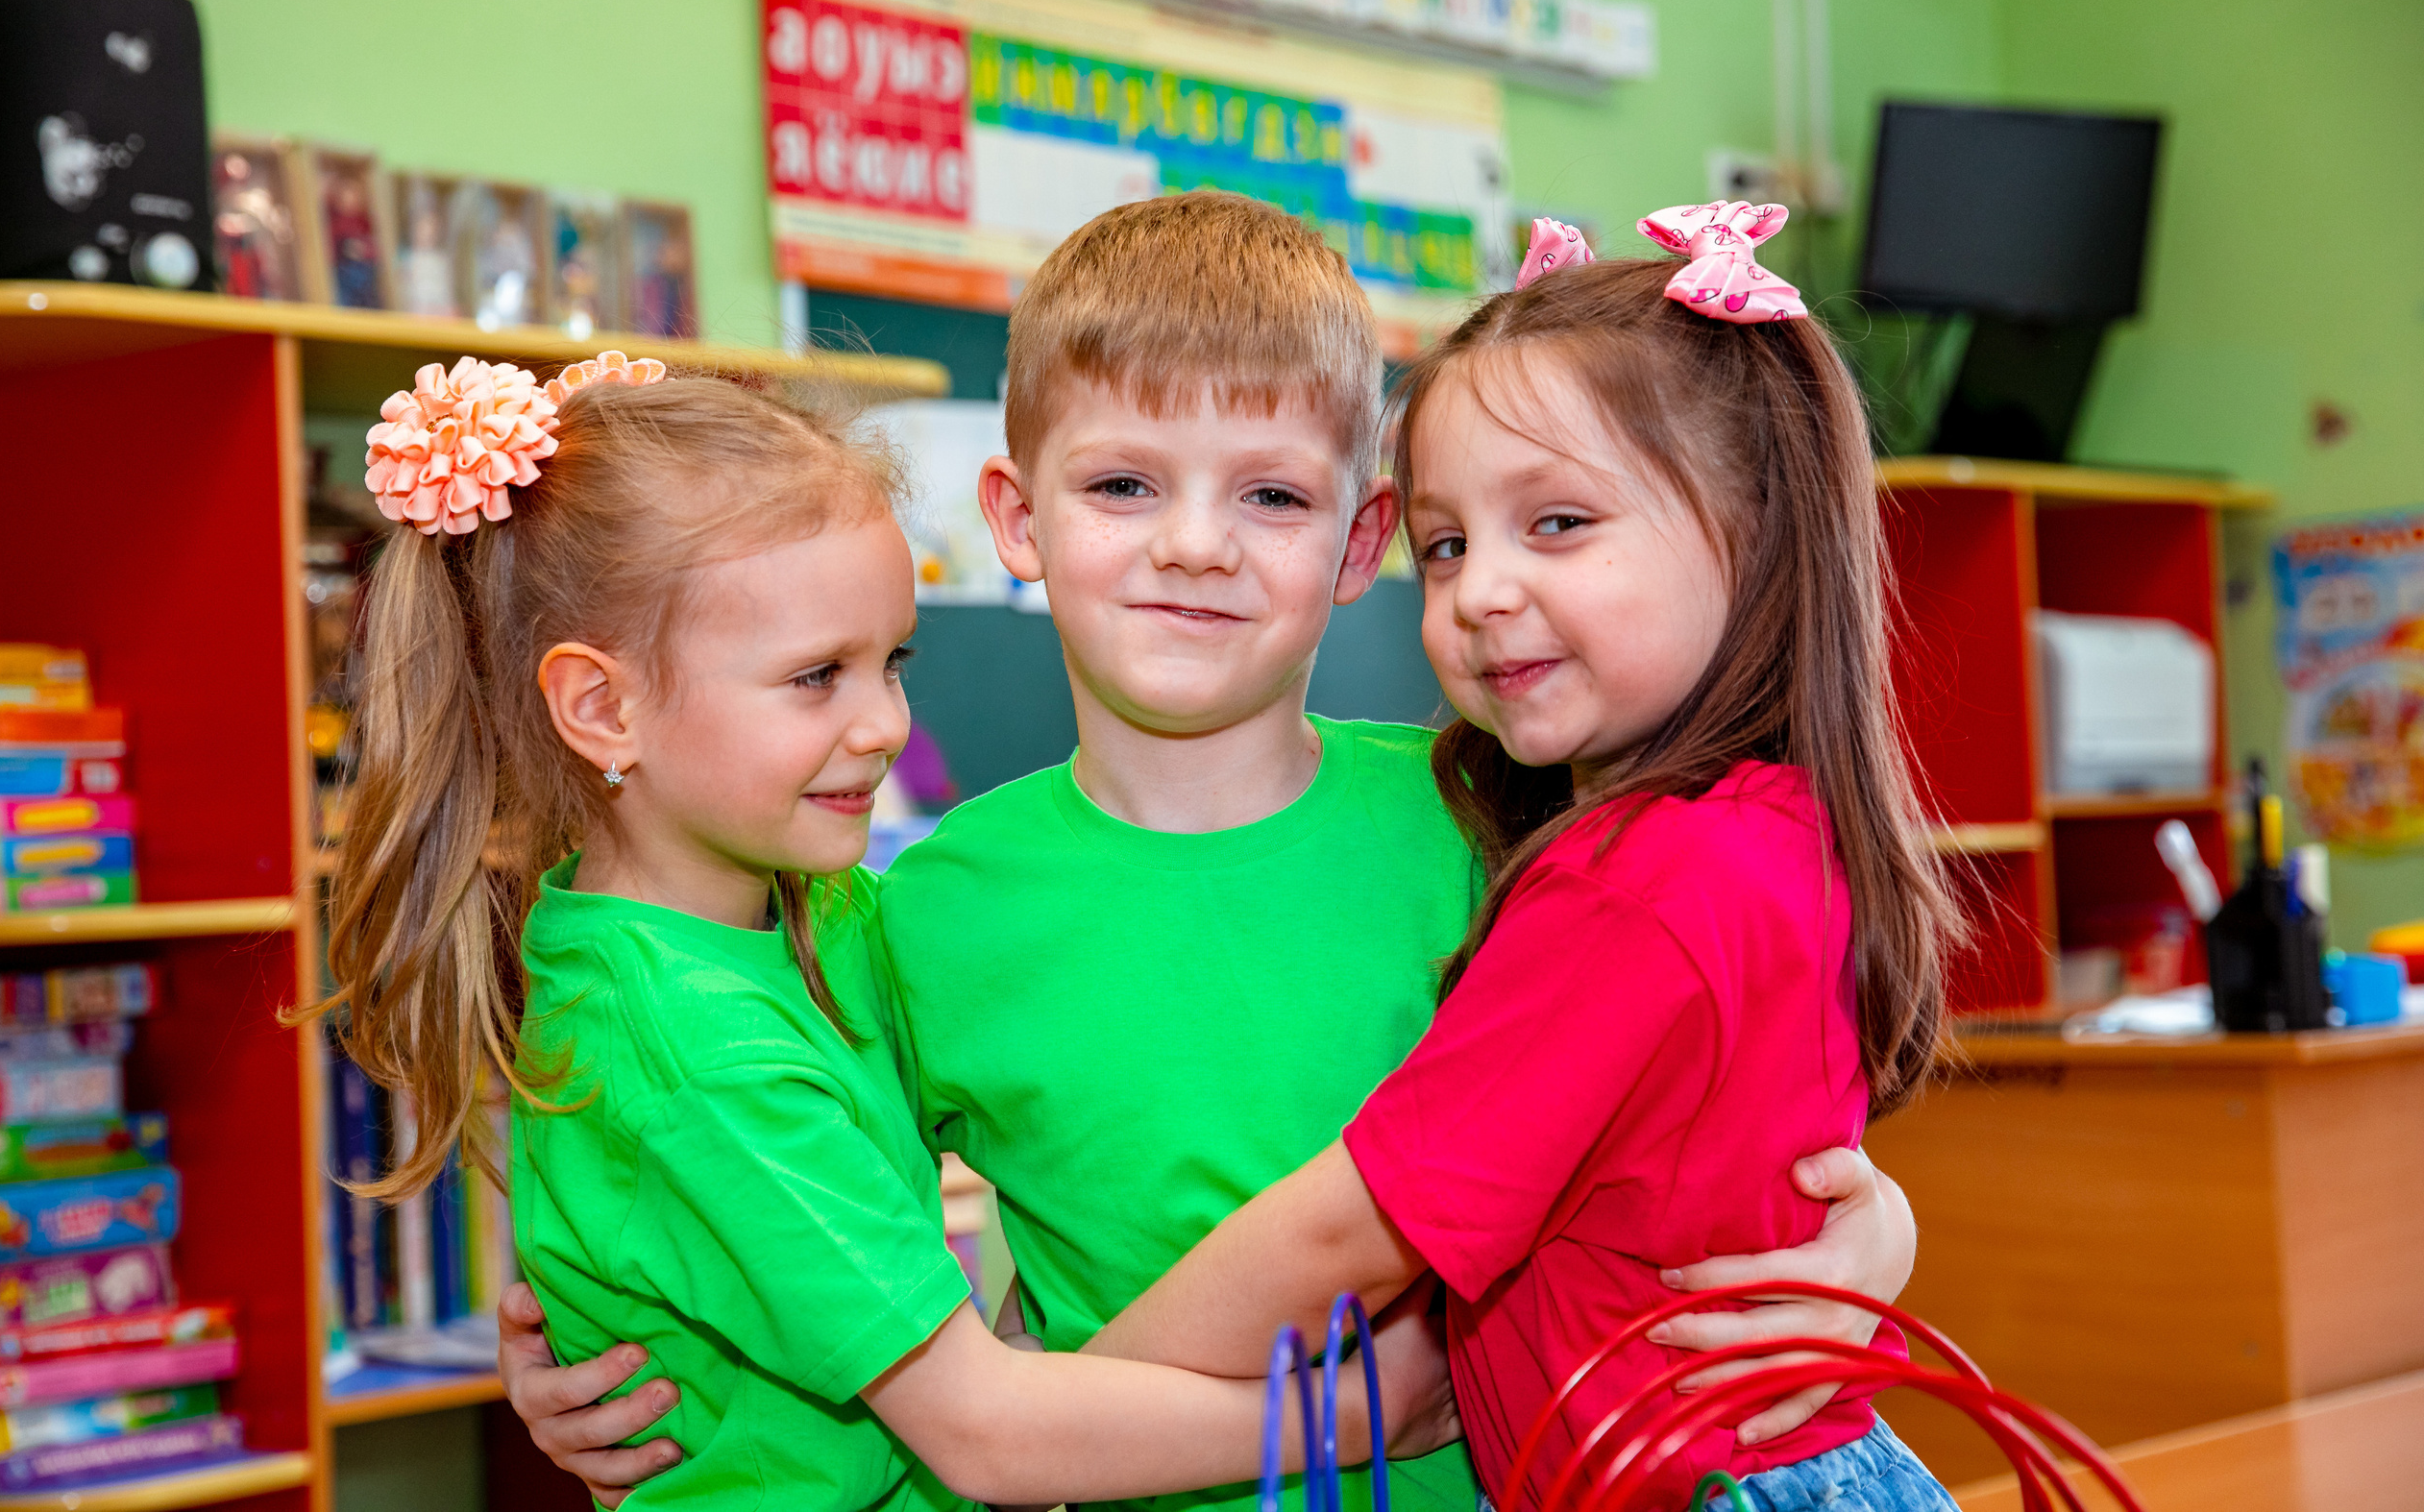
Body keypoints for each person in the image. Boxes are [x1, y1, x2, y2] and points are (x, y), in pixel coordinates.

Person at [502, 194, 1922, 1509]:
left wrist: (1876, 1231)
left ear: (1364, 538)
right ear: (1016, 520)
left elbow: (1719, 1096)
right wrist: (576, 1332)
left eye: (1272, 496)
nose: (1193, 545)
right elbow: (698, 1150)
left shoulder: (1505, 815)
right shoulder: (911, 914)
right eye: (1123, 484)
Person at [310, 349, 1456, 1511]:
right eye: (817, 677)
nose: (887, 724)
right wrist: (1361, 1411)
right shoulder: (688, 1049)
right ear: (605, 709)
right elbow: (987, 1434)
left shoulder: (815, 912)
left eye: (890, 661)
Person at [1082, 207, 1966, 1512]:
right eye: (1446, 544)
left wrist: (1080, 1400)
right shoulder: (1770, 826)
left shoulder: (1638, 880)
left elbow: (1351, 1227)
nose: (1481, 589)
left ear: (1757, 532)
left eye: (1554, 522)